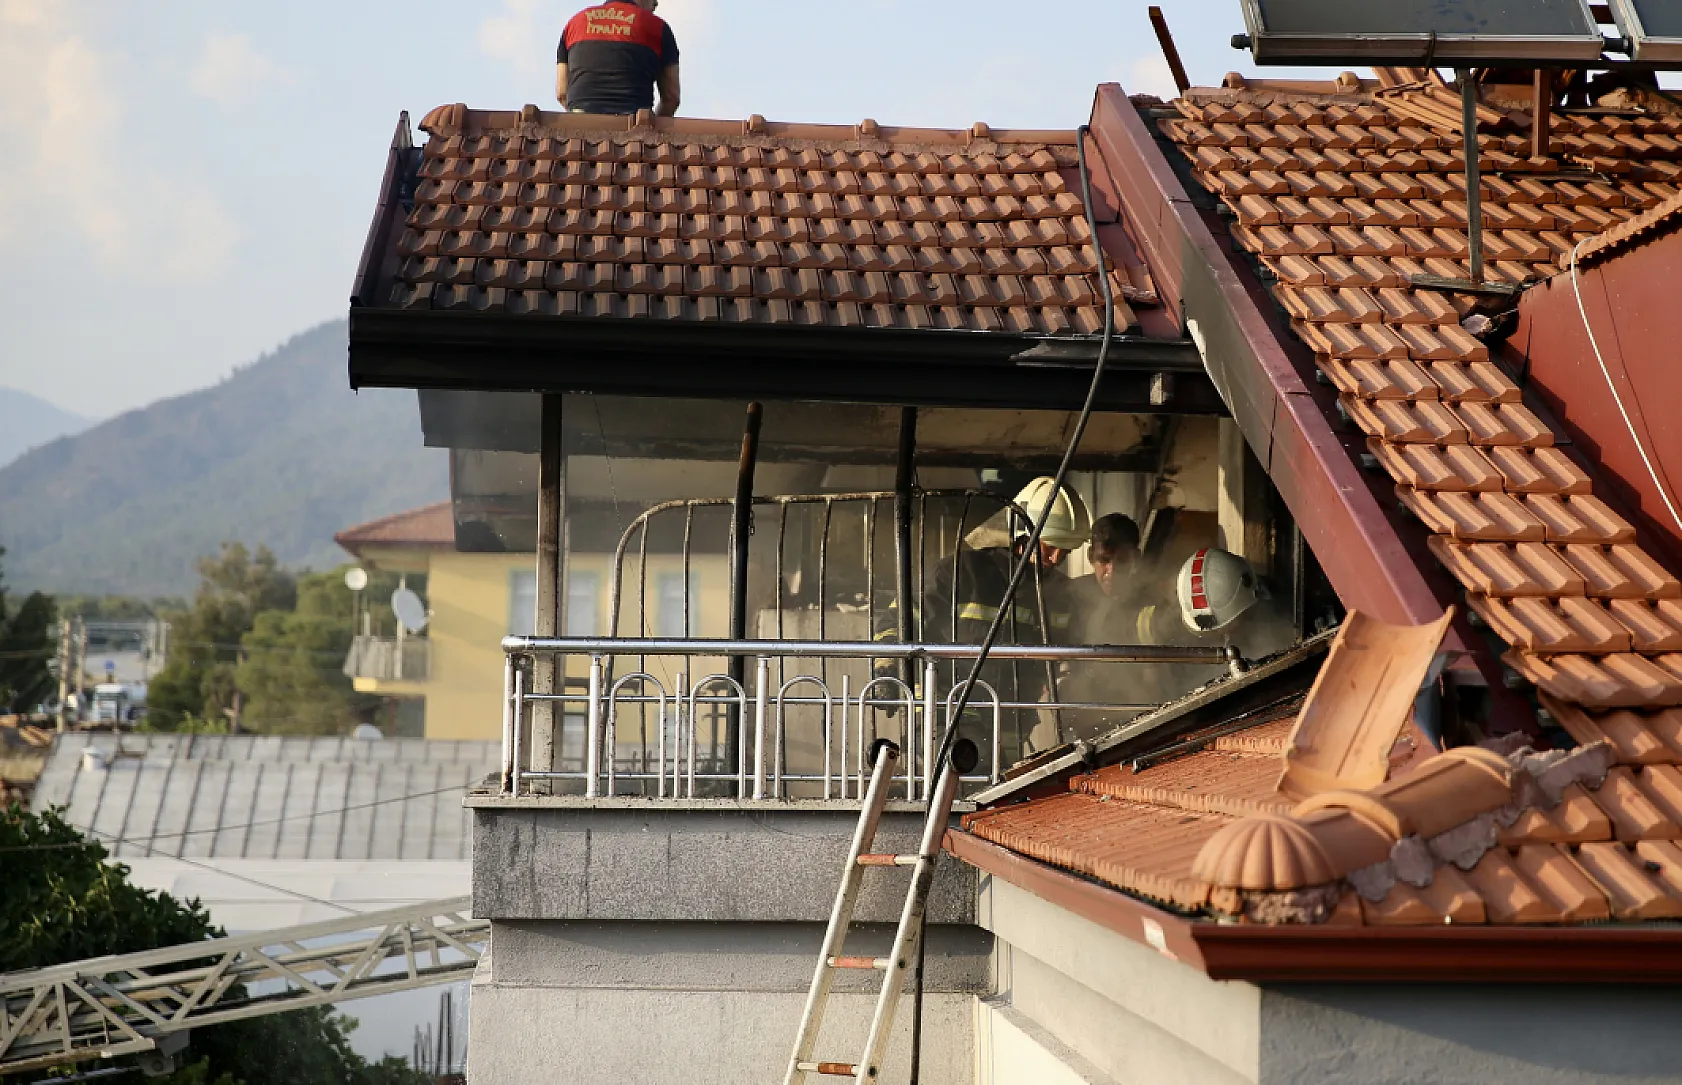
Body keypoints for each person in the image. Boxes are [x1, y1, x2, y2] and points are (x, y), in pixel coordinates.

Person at [874, 477, 1091, 765]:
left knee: (1000, 793)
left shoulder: (1061, 594)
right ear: (1021, 532)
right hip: (947, 706)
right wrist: (887, 669)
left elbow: (1071, 651)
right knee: (954, 780)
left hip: (1011, 713)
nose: (1055, 558)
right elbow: (898, 620)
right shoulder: (959, 572)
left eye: (1066, 551)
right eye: (1049, 546)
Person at [556, 1, 681, 117]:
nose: (656, 3)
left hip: (581, 122)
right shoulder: (658, 27)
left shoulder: (574, 23)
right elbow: (671, 97)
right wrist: (650, 125)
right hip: (633, 124)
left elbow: (562, 92)